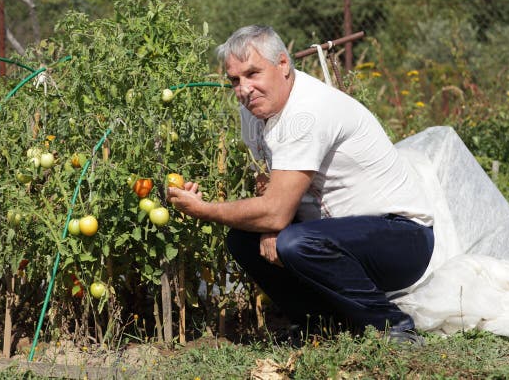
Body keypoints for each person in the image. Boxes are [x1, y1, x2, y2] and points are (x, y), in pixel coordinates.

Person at [166, 25, 435, 344]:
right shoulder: (253, 111)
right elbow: (267, 176)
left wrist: (206, 210)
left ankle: (394, 326)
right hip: (336, 235)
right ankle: (317, 326)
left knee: (295, 242)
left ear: (283, 65)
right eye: (235, 80)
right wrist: (268, 227)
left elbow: (277, 211)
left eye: (253, 73)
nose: (244, 89)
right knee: (243, 240)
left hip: (401, 238)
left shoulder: (306, 112)